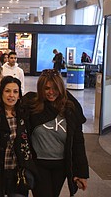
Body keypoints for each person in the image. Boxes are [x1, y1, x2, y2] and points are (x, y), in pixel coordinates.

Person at [23, 69, 89, 197]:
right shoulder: (31, 105)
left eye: (55, 88)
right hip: (38, 165)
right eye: (47, 88)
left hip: (61, 167)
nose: (51, 92)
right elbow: (8, 104)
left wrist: (81, 173)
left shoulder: (70, 109)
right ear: (40, 88)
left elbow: (78, 142)